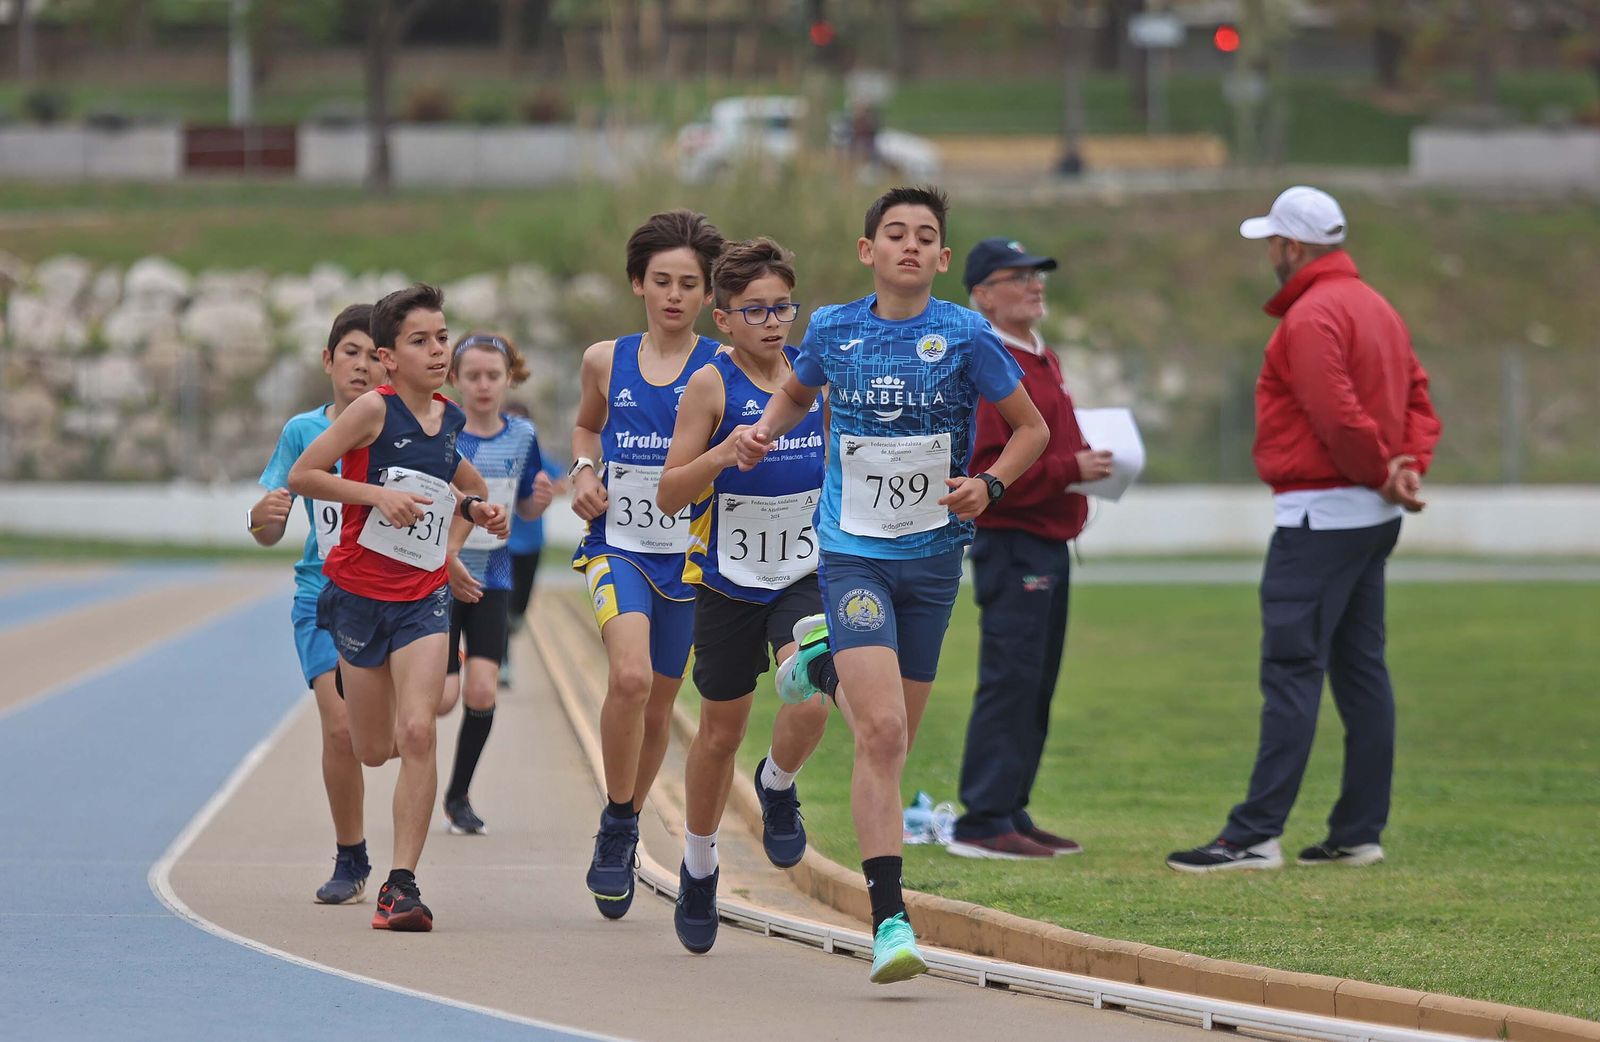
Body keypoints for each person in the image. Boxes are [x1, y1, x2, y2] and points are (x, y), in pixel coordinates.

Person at [734, 186, 1049, 983]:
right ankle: (890, 923)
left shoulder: (966, 334)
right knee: (878, 734)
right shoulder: (835, 328)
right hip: (854, 554)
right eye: (895, 233)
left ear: (942, 259)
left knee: (894, 737)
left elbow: (1032, 429)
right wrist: (765, 431)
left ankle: (825, 662)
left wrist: (992, 486)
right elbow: (797, 390)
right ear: (868, 250)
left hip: (935, 559)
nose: (910, 245)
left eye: (926, 237)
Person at [1167, 186, 1441, 874]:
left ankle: (1253, 835)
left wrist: (1383, 471)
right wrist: (1407, 469)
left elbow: (1337, 415)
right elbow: (1416, 398)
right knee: (1361, 673)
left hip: (1322, 515)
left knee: (1291, 671)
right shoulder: (1376, 306)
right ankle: (1357, 831)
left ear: (1292, 246)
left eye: (1272, 243)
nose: (1269, 254)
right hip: (1368, 518)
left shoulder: (1311, 316)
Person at [288, 284, 508, 931]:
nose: (438, 350)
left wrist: (465, 524)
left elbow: (465, 485)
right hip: (357, 597)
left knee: (419, 732)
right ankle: (375, 855)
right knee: (374, 747)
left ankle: (400, 888)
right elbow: (304, 475)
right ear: (389, 358)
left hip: (421, 601)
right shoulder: (371, 414)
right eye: (421, 341)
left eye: (442, 337)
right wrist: (373, 497)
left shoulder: (451, 420)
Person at [657, 237, 835, 954]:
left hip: (804, 570)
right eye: (754, 310)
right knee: (719, 732)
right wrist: (723, 454)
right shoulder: (710, 385)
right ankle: (700, 864)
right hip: (728, 579)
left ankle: (778, 782)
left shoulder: (813, 379)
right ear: (723, 319)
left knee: (813, 685)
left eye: (782, 307)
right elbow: (671, 494)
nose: (772, 321)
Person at [569, 210, 727, 919]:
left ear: (707, 294)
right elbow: (585, 424)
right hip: (618, 545)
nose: (673, 295)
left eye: (688, 284)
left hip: (689, 562)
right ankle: (618, 820)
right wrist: (582, 469)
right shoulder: (605, 359)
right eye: (661, 280)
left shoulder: (722, 368)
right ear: (638, 283)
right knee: (628, 679)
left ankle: (627, 816)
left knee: (661, 705)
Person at [945, 239, 1112, 861]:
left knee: (1036, 681)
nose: (1034, 285)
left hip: (1048, 541)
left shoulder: (1041, 357)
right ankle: (983, 817)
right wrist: (1071, 467)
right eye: (1016, 277)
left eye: (1037, 274)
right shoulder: (991, 361)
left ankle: (1010, 806)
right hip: (1014, 542)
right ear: (982, 295)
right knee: (1010, 678)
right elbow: (987, 470)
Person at [249, 303, 382, 904]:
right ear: (328, 361)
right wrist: (262, 520)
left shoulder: (401, 428)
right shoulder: (304, 433)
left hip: (392, 598)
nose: (361, 365)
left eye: (373, 354)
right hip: (321, 594)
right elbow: (269, 526)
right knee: (340, 731)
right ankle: (351, 858)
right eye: (349, 352)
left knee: (390, 736)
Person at [435, 332, 555, 836]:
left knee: (482, 691)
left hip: (494, 575)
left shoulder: (522, 435)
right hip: (439, 574)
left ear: (509, 379)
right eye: (473, 376)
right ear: (454, 380)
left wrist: (537, 502)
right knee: (441, 699)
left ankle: (458, 794)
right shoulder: (442, 431)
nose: (483, 386)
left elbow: (525, 503)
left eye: (493, 376)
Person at [499, 401, 564, 689]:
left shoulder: (535, 458)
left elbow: (562, 482)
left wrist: (544, 489)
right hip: (501, 543)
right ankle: (502, 661)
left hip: (531, 541)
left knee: (518, 609)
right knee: (500, 604)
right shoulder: (494, 452)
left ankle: (513, 623)